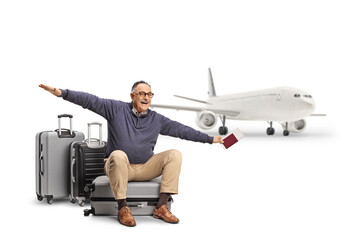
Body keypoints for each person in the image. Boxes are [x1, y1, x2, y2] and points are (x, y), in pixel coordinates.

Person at [39, 81, 223, 227]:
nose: (146, 97)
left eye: (149, 94)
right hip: (119, 166)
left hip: (144, 167)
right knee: (118, 154)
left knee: (174, 154)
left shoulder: (157, 119)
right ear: (132, 96)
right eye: (142, 93)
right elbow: (90, 100)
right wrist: (62, 93)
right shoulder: (115, 109)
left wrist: (210, 139)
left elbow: (182, 130)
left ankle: (161, 207)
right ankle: (123, 208)